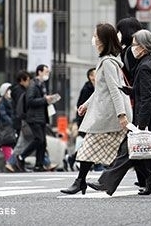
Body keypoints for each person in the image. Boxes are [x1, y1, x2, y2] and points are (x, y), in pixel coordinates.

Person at [84, 29, 151, 198]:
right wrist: (130, 90)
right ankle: (108, 183)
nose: (132, 47)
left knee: (149, 152)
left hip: (149, 116)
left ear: (143, 48)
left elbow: (147, 98)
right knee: (136, 152)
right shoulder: (150, 63)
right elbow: (148, 91)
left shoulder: (145, 66)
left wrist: (141, 124)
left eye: (135, 45)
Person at [62, 23, 132, 195]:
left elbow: (115, 90)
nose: (93, 39)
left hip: (110, 115)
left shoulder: (108, 62)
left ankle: (80, 182)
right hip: (107, 114)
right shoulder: (106, 61)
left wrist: (121, 114)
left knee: (90, 148)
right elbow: (101, 89)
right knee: (128, 152)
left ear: (103, 40)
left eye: (96, 36)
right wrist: (85, 104)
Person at [12, 64, 60, 172]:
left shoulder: (42, 85)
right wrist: (45, 100)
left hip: (42, 117)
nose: (47, 74)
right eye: (46, 72)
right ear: (39, 72)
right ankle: (21, 156)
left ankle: (39, 164)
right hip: (34, 117)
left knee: (43, 142)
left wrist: (49, 100)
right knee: (39, 139)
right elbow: (30, 101)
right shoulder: (33, 85)